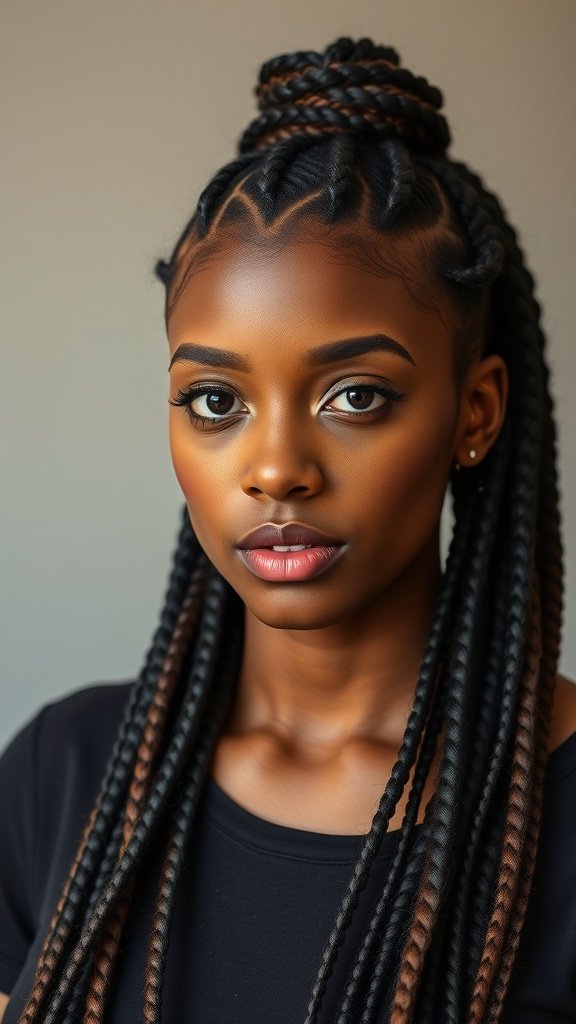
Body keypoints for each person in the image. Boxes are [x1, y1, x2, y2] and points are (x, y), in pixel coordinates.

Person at [0, 35, 575, 1024]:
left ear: (474, 413)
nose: (274, 468)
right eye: (215, 400)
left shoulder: (558, 816)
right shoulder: (64, 772)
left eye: (355, 394)